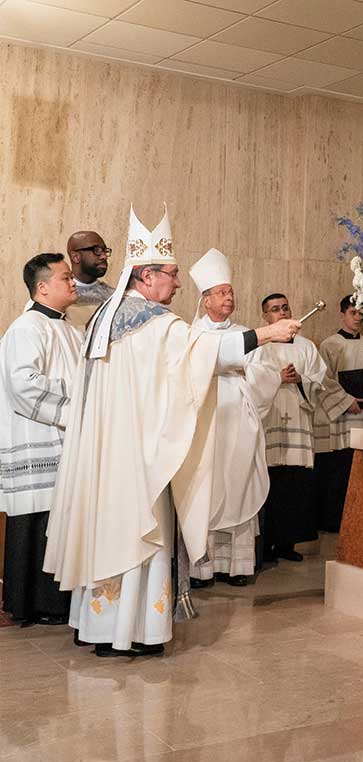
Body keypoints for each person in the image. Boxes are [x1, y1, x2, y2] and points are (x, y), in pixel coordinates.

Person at [43, 207, 299, 657]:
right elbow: (209, 353)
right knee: (143, 534)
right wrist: (269, 332)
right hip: (142, 457)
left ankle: (100, 627)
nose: (179, 284)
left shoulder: (105, 317)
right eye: (173, 274)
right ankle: (134, 632)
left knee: (110, 531)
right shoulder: (157, 324)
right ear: (146, 276)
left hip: (107, 457)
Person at [188, 249, 280, 588]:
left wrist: (241, 372)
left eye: (231, 291)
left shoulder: (250, 334)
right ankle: (201, 568)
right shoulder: (191, 334)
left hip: (239, 420)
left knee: (238, 485)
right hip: (205, 424)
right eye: (222, 292)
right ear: (206, 299)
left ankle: (237, 566)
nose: (229, 297)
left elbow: (267, 374)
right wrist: (231, 368)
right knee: (204, 490)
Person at [0, 254, 82, 625]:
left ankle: (57, 601)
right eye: (66, 277)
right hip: (40, 436)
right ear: (43, 286)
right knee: (37, 521)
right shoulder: (25, 328)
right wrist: (76, 399)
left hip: (66, 440)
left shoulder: (72, 330)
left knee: (57, 520)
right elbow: (22, 384)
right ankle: (35, 604)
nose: (73, 283)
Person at [248, 293, 327, 562]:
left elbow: (321, 381)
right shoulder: (261, 346)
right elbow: (249, 380)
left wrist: (300, 379)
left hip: (297, 421)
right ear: (265, 317)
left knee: (295, 484)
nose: (281, 313)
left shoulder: (306, 346)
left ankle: (287, 544)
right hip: (270, 421)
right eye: (274, 310)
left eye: (284, 308)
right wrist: (276, 377)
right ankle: (267, 544)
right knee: (271, 483)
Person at [315, 295, 363, 533]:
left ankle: (360, 519)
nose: (358, 318)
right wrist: (347, 402)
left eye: (361, 314)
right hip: (342, 418)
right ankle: (334, 521)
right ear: (342, 315)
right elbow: (324, 380)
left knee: (362, 468)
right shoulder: (330, 345)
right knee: (340, 469)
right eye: (353, 313)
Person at [65, 231, 114, 330]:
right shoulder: (56, 296)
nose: (104, 256)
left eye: (105, 251)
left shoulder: (113, 296)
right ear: (76, 257)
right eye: (97, 250)